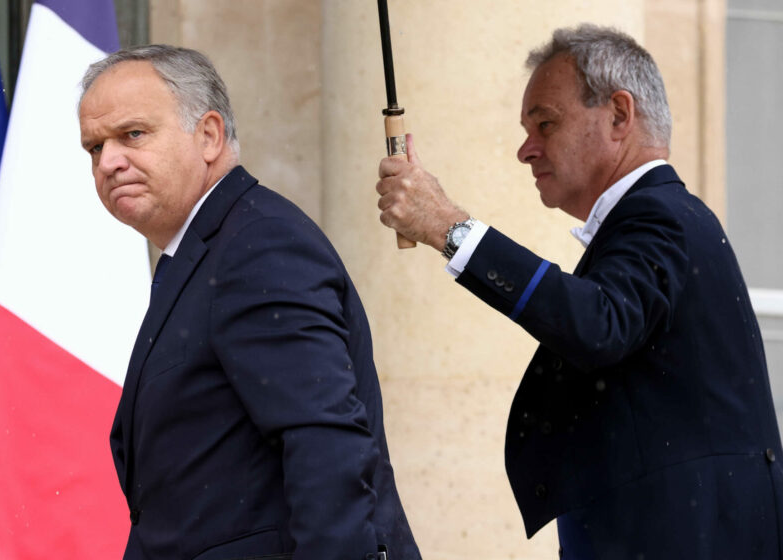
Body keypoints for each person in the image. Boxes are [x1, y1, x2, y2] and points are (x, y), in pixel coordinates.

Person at [376, 24, 783, 558]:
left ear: (618, 115)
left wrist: (451, 229)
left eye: (545, 123)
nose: (527, 150)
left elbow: (599, 324)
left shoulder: (662, 215)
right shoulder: (661, 218)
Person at [79, 44, 421, 560]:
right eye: (93, 147)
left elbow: (326, 449)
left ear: (209, 136)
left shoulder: (257, 246)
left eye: (133, 134)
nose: (108, 162)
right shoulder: (209, 251)